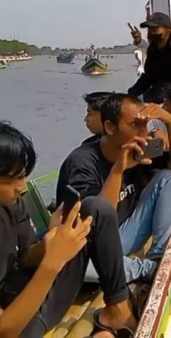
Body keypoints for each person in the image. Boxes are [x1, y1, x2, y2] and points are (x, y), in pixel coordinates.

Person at [0, 121, 136, 337]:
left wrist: (48, 245)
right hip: (17, 323)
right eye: (13, 179)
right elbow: (4, 329)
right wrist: (53, 261)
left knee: (95, 209)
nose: (22, 186)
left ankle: (117, 308)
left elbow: (24, 256)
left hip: (28, 290)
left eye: (23, 176)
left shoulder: (12, 204)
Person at [56, 94, 171, 283]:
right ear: (110, 127)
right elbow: (95, 221)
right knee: (78, 267)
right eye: (135, 125)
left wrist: (169, 122)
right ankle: (148, 269)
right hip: (94, 245)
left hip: (126, 231)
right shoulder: (83, 162)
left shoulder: (140, 147)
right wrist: (119, 169)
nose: (144, 133)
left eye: (146, 125)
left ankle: (159, 256)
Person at [127, 12, 171, 104]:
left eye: (155, 28)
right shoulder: (153, 48)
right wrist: (130, 94)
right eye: (149, 29)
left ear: (167, 29)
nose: (151, 32)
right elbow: (148, 77)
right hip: (159, 93)